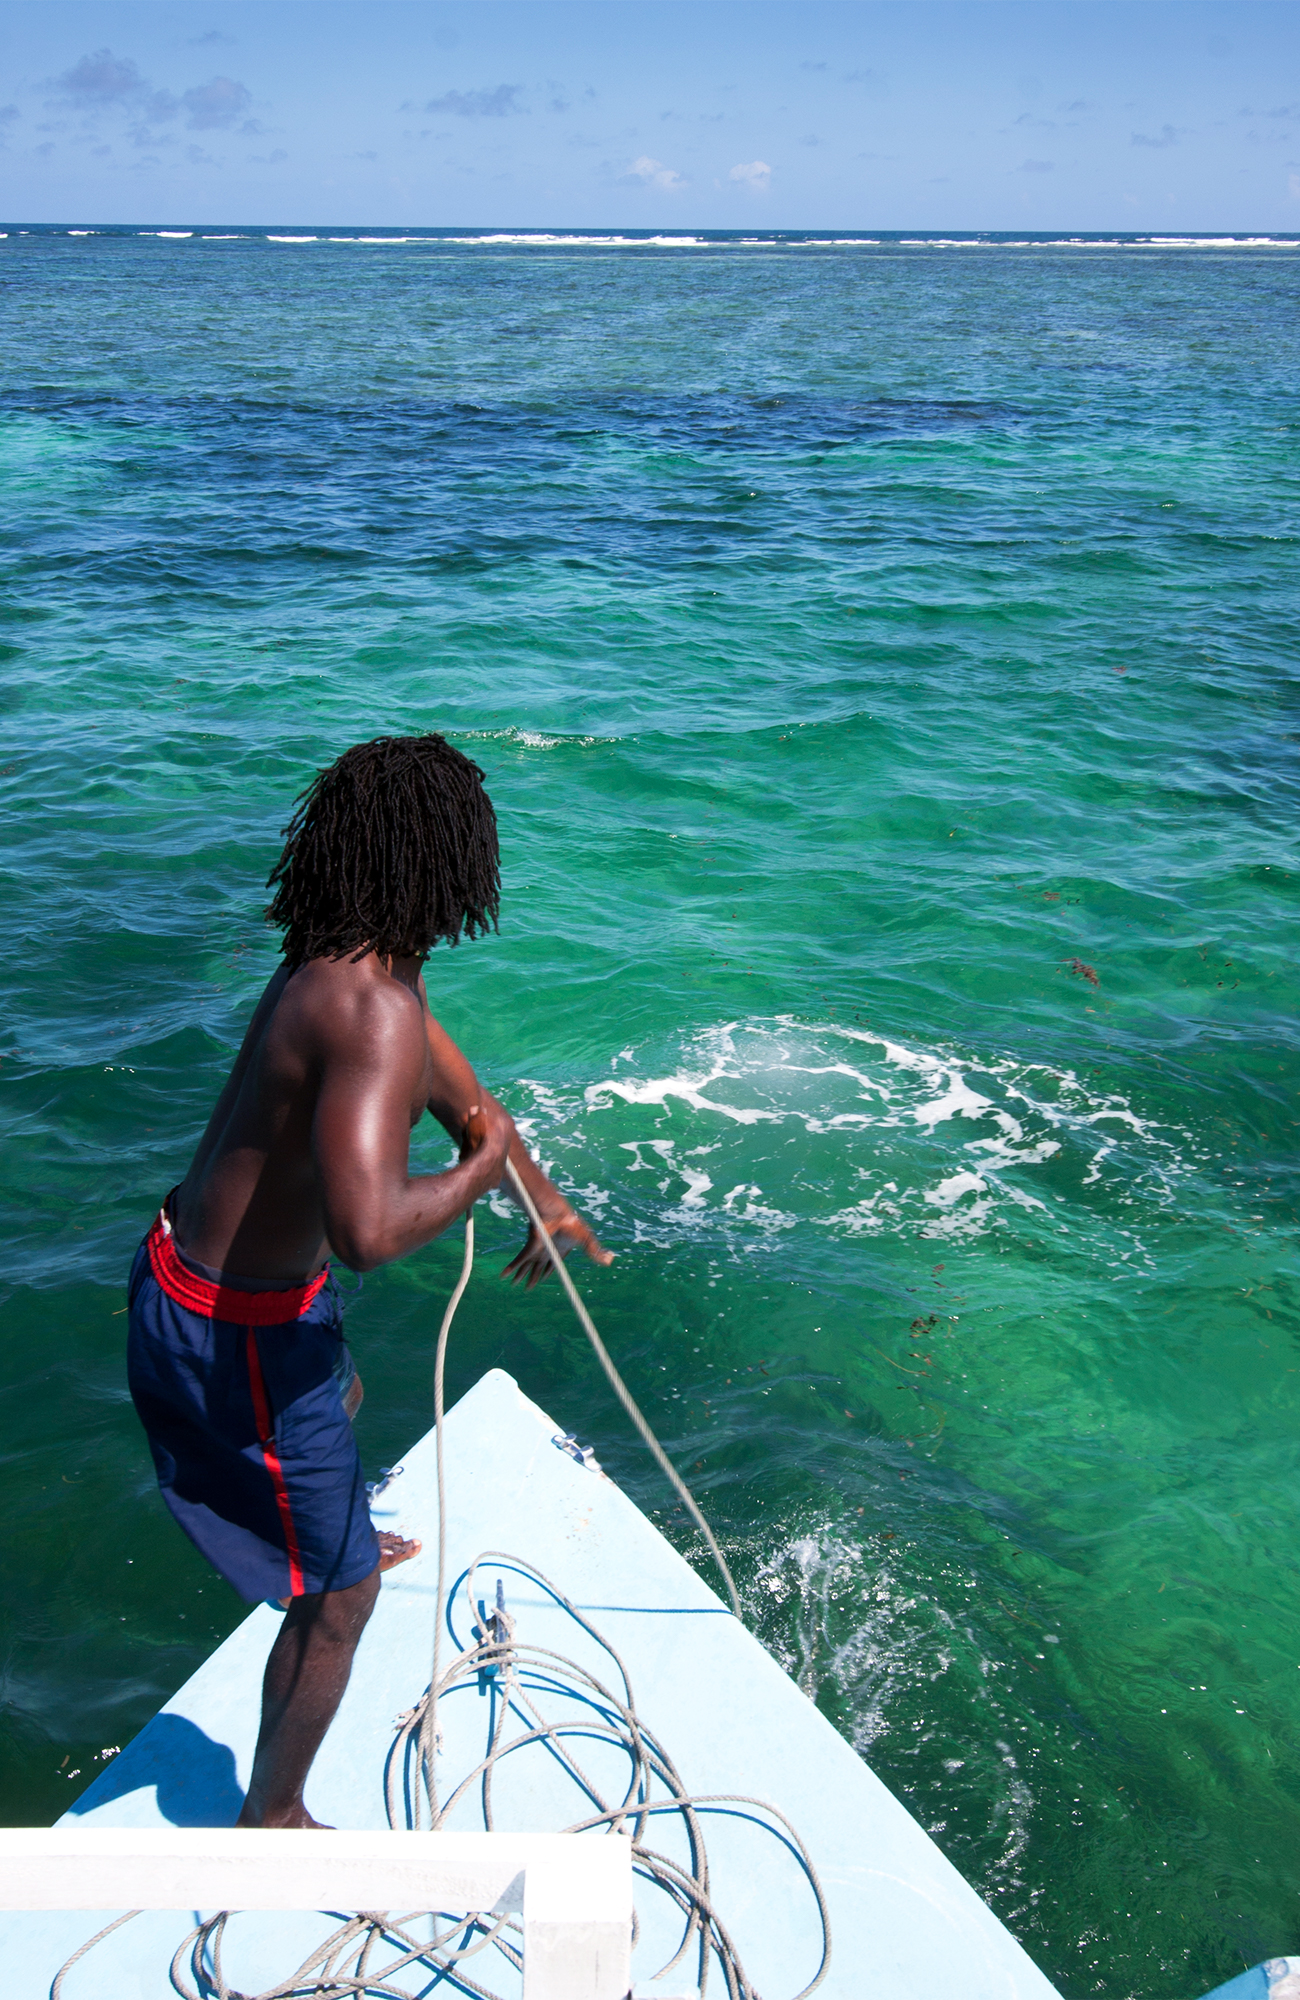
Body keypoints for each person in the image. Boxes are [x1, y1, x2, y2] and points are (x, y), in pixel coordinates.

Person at [126, 734, 611, 1829]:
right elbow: (369, 1231)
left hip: (190, 1273)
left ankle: (324, 1520)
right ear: (449, 862)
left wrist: (539, 1192)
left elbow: (459, 1092)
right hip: (234, 1330)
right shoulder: (372, 1010)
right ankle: (272, 1815)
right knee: (343, 1596)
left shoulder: (340, 964)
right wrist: (484, 1172)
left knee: (340, 1393)